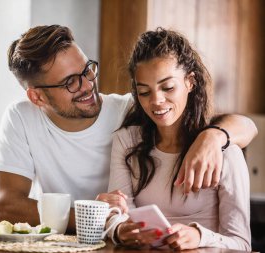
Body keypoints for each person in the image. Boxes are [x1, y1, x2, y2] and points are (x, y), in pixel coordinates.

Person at [0, 25, 257, 233]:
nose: (87, 86)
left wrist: (213, 136)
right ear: (37, 97)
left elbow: (246, 126)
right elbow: (7, 206)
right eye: (70, 82)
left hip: (114, 240)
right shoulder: (21, 117)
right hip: (66, 239)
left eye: (87, 70)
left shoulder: (129, 109)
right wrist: (92, 215)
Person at [98, 28, 251, 250]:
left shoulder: (224, 153)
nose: (157, 100)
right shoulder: (126, 141)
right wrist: (121, 230)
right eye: (144, 92)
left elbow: (242, 244)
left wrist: (200, 236)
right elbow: (118, 216)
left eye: (168, 87)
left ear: (190, 82)